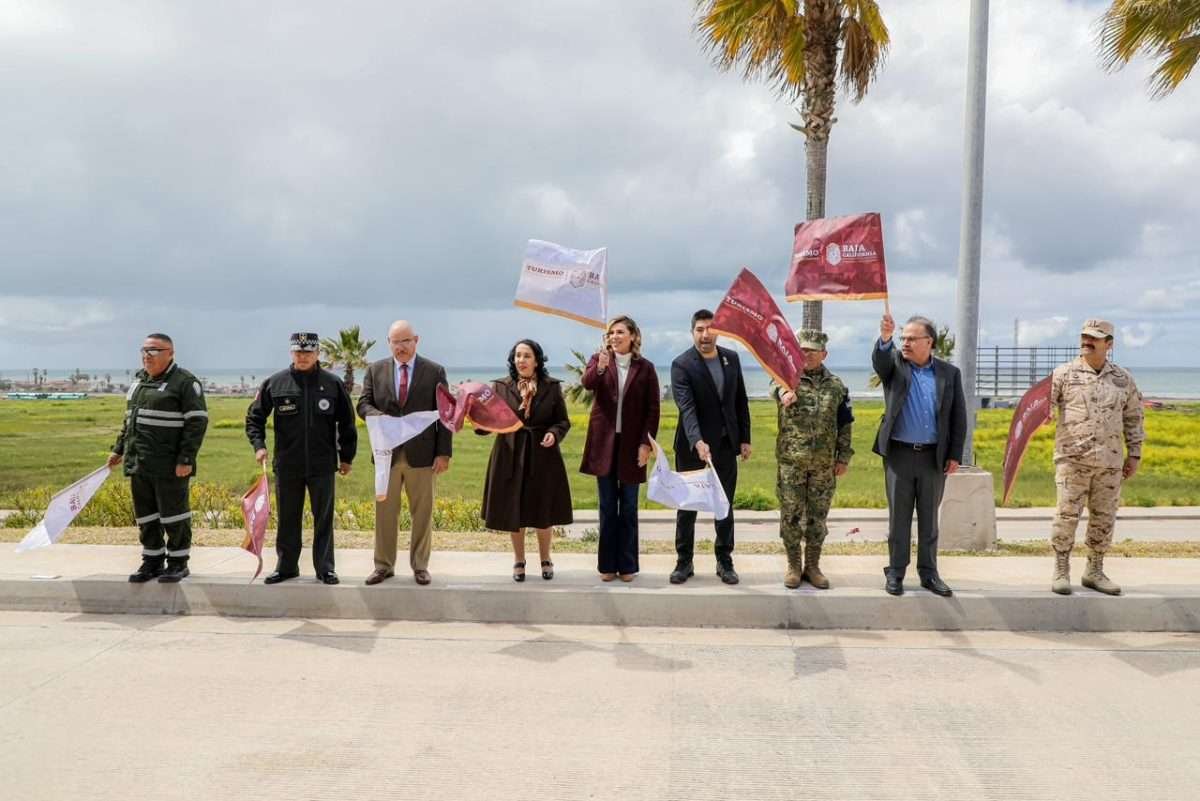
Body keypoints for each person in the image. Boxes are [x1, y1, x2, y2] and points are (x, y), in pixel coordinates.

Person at [245, 332, 358, 585]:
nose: (303, 356)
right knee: (287, 518)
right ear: (291, 353)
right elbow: (255, 418)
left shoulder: (332, 383)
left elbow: (347, 423)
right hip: (288, 465)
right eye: (298, 352)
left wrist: (346, 457)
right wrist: (259, 446)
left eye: (308, 352)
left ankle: (325, 568)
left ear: (317, 353)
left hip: (322, 464)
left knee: (324, 518)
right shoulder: (276, 383)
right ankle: (286, 567)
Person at [1048, 318, 1144, 596]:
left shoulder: (1122, 379)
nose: (1087, 341)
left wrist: (1134, 453)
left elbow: (1134, 417)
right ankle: (1061, 569)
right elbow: (1043, 406)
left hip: (1110, 462)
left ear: (1109, 345)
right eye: (1085, 336)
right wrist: (1045, 414)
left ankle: (1094, 570)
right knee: (1066, 516)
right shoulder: (1063, 374)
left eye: (1095, 338)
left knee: (1104, 518)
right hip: (1073, 460)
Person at [872, 313, 966, 597]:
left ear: (929, 342)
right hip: (899, 456)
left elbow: (958, 417)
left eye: (912, 338)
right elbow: (880, 360)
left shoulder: (949, 374)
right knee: (898, 519)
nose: (906, 343)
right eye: (903, 338)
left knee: (929, 520)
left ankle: (929, 573)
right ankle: (896, 573)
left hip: (932, 459)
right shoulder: (895, 367)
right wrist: (885, 339)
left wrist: (954, 454)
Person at [107, 333, 208, 583]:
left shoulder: (185, 383)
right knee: (146, 516)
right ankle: (151, 561)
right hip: (139, 463)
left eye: (153, 351)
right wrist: (118, 449)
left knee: (173, 515)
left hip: (169, 466)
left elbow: (196, 423)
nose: (146, 356)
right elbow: (129, 421)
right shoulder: (139, 383)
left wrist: (186, 459)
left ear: (170, 353)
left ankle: (177, 562)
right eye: (144, 351)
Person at [357, 320, 452, 586]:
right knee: (385, 513)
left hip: (422, 456)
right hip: (386, 454)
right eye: (396, 342)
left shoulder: (434, 371)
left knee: (422, 512)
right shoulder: (375, 371)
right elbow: (363, 403)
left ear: (416, 340)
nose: (401, 347)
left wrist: (443, 452)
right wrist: (381, 418)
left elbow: (445, 414)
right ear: (389, 343)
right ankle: (383, 566)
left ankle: (420, 566)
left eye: (406, 341)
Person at [478, 340, 573, 581]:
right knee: (514, 510)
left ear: (537, 360)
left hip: (543, 455)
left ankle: (545, 558)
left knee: (543, 511)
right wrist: (475, 419)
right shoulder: (499, 387)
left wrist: (554, 433)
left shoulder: (551, 387)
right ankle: (519, 560)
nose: (521, 360)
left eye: (526, 355)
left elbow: (562, 421)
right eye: (517, 356)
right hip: (509, 453)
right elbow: (488, 420)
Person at [669, 309, 751, 585]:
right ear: (692, 332)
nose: (706, 335)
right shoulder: (681, 364)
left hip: (726, 445)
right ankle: (684, 561)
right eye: (700, 329)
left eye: (710, 329)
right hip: (692, 446)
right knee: (687, 505)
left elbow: (740, 401)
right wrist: (697, 440)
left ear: (719, 331)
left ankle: (724, 560)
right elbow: (687, 408)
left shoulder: (732, 359)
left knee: (724, 504)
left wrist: (745, 438)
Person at [579, 315, 660, 581]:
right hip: (604, 445)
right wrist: (600, 367)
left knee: (628, 507)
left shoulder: (645, 368)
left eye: (620, 332)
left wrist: (646, 444)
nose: (614, 336)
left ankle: (627, 566)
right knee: (606, 507)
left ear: (633, 336)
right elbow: (587, 384)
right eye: (611, 333)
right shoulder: (598, 360)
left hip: (631, 447)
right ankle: (606, 566)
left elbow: (652, 409)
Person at [774, 330, 853, 589]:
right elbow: (776, 390)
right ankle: (794, 566)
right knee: (791, 516)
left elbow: (845, 424)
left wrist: (843, 456)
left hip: (823, 465)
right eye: (802, 350)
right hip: (792, 464)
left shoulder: (837, 386)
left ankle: (813, 566)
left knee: (818, 517)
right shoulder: (786, 377)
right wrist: (784, 394)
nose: (806, 355)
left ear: (824, 354)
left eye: (812, 351)